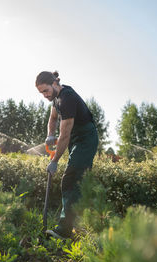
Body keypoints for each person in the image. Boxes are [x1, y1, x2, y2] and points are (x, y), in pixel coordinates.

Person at [35, 71, 98, 239]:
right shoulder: (55, 99)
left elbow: (64, 135)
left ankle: (64, 230)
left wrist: (55, 160)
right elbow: (53, 118)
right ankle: (80, 224)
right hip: (76, 140)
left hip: (85, 139)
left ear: (55, 83)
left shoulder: (67, 99)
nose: (44, 95)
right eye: (41, 93)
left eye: (45, 91)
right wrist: (49, 134)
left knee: (70, 179)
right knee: (79, 181)